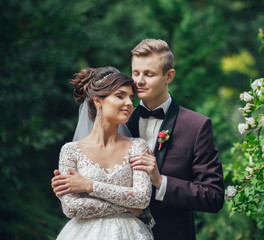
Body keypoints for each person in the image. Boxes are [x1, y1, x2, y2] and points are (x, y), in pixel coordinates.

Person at [52, 39, 225, 240]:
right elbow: (72, 201)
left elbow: (214, 197)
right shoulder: (119, 119)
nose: (139, 81)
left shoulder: (196, 126)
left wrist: (161, 181)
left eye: (148, 74)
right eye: (135, 73)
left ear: (169, 76)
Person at [54, 66, 154, 240]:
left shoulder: (138, 146)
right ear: (97, 101)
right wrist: (130, 207)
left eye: (131, 97)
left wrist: (89, 186)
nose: (130, 103)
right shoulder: (70, 151)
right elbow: (71, 208)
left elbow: (142, 198)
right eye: (120, 96)